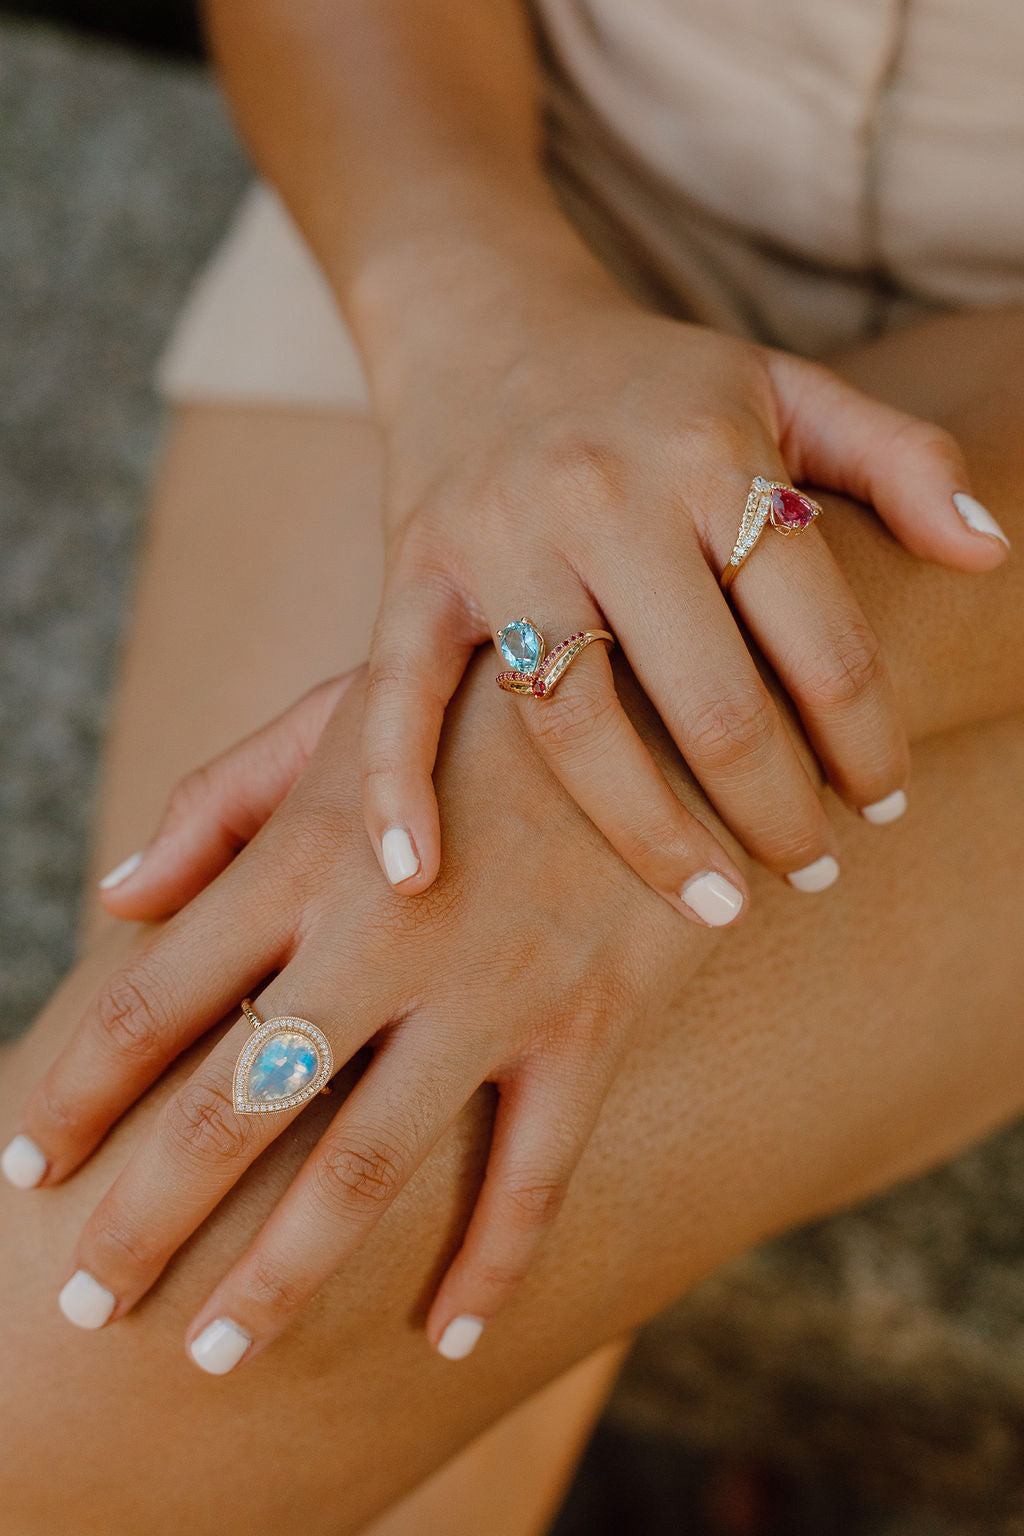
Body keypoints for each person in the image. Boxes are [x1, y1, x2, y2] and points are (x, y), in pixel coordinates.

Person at [1, 2, 1023, 1531]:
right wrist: (476, 321)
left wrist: (665, 700)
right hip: (493, 194)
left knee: (244, 1247)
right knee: (217, 1240)